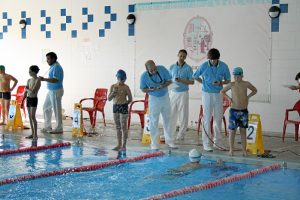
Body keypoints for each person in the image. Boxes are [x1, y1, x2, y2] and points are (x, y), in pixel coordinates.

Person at [193, 48, 231, 152]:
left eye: (215, 59)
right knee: (207, 118)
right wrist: (203, 83)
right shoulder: (204, 65)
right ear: (208, 58)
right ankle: (206, 143)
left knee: (218, 118)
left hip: (218, 94)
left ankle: (217, 143)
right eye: (211, 59)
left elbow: (228, 80)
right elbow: (195, 76)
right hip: (206, 94)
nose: (213, 61)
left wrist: (220, 83)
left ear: (218, 58)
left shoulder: (224, 66)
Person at [140, 60, 177, 150]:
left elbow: (170, 81)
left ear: (156, 66)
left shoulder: (162, 69)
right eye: (151, 71)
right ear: (147, 70)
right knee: (153, 121)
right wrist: (150, 89)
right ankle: (154, 143)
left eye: (154, 69)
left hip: (165, 96)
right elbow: (143, 89)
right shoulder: (144, 76)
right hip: (153, 98)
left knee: (168, 119)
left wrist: (163, 85)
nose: (154, 71)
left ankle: (170, 141)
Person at [221, 67, 257, 156]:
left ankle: (244, 150)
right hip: (233, 111)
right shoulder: (231, 84)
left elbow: (255, 90)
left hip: (243, 111)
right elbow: (222, 91)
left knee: (243, 131)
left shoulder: (246, 84)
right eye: (235, 76)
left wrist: (248, 97)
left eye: (238, 76)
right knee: (232, 131)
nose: (236, 78)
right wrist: (229, 98)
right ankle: (231, 150)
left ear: (242, 76)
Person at [169, 49, 194, 141]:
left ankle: (181, 134)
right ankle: (170, 133)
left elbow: (192, 81)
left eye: (184, 56)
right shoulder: (172, 67)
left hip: (183, 93)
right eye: (180, 56)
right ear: (177, 55)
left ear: (185, 57)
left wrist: (182, 80)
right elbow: (168, 80)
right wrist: (169, 90)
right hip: (173, 93)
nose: (182, 58)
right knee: (171, 114)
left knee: (183, 114)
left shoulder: (188, 68)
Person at [39, 52, 64, 134]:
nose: (47, 61)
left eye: (48, 59)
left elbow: (56, 79)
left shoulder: (56, 67)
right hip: (51, 91)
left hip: (56, 91)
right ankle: (47, 126)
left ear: (53, 59)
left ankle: (59, 128)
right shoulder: (53, 66)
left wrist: (44, 79)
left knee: (57, 109)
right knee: (46, 107)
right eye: (47, 59)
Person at [108, 69, 132, 151]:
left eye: (123, 79)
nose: (121, 81)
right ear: (117, 78)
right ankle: (119, 144)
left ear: (125, 79)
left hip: (123, 107)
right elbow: (109, 99)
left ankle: (124, 145)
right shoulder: (113, 86)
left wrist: (125, 104)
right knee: (118, 127)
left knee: (124, 126)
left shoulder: (126, 87)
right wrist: (113, 93)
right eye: (120, 79)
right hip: (116, 107)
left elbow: (130, 99)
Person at [21, 65, 41, 140]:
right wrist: (23, 101)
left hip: (34, 99)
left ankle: (36, 134)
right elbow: (26, 92)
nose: (29, 73)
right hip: (28, 99)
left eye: (30, 71)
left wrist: (26, 89)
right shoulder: (29, 80)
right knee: (30, 117)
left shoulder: (38, 80)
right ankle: (32, 133)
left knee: (33, 117)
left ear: (34, 72)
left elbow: (33, 91)